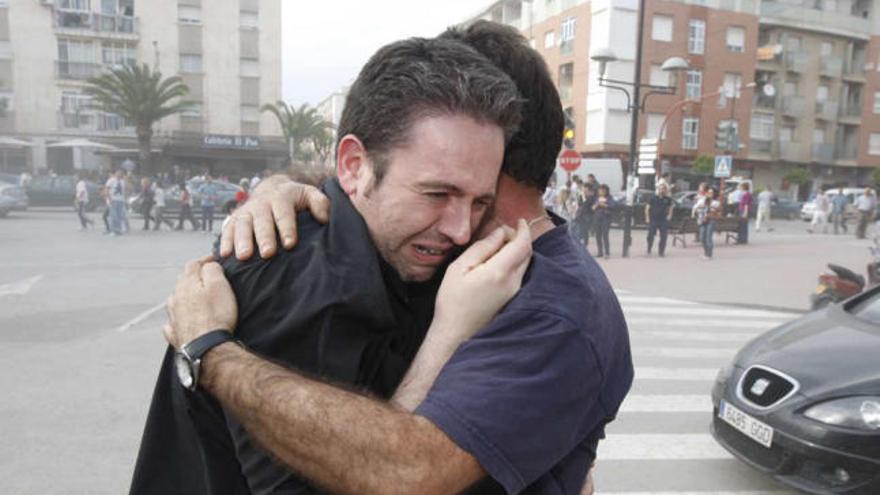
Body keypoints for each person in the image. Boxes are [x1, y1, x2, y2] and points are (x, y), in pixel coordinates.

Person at [140, 24, 633, 495]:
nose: (459, 226)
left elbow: (406, 468)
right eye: (437, 191)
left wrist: (210, 354)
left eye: (477, 200)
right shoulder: (290, 268)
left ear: (495, 152)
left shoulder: (544, 305)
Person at [646, 183, 673, 256]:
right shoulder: (653, 198)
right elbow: (647, 208)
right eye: (660, 189)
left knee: (664, 236)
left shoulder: (667, 199)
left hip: (663, 220)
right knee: (650, 235)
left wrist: (669, 216)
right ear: (658, 189)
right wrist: (647, 218)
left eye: (663, 189)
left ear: (665, 190)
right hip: (653, 219)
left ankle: (661, 251)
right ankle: (649, 248)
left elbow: (670, 208)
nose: (662, 190)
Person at [696, 186, 722, 259]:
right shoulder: (703, 200)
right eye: (709, 192)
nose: (710, 194)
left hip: (711, 221)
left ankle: (709, 254)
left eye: (712, 192)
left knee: (708, 238)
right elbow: (697, 208)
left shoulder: (716, 202)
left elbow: (717, 213)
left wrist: (711, 212)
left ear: (714, 194)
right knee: (702, 238)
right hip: (702, 220)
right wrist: (699, 208)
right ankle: (706, 252)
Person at [592, 184, 614, 258]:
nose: (601, 192)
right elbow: (593, 208)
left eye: (602, 191)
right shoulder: (597, 198)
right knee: (598, 235)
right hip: (597, 218)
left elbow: (612, 206)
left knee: (605, 235)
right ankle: (600, 252)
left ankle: (607, 252)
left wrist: (603, 205)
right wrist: (597, 204)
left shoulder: (609, 198)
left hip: (605, 218)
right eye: (600, 190)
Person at [104, 169, 126, 236]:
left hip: (120, 200)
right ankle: (113, 230)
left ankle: (118, 230)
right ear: (115, 173)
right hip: (113, 199)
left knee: (119, 216)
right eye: (118, 173)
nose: (119, 174)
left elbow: (124, 190)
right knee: (113, 216)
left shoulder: (123, 181)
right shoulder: (111, 180)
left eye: (121, 173)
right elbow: (107, 189)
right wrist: (109, 198)